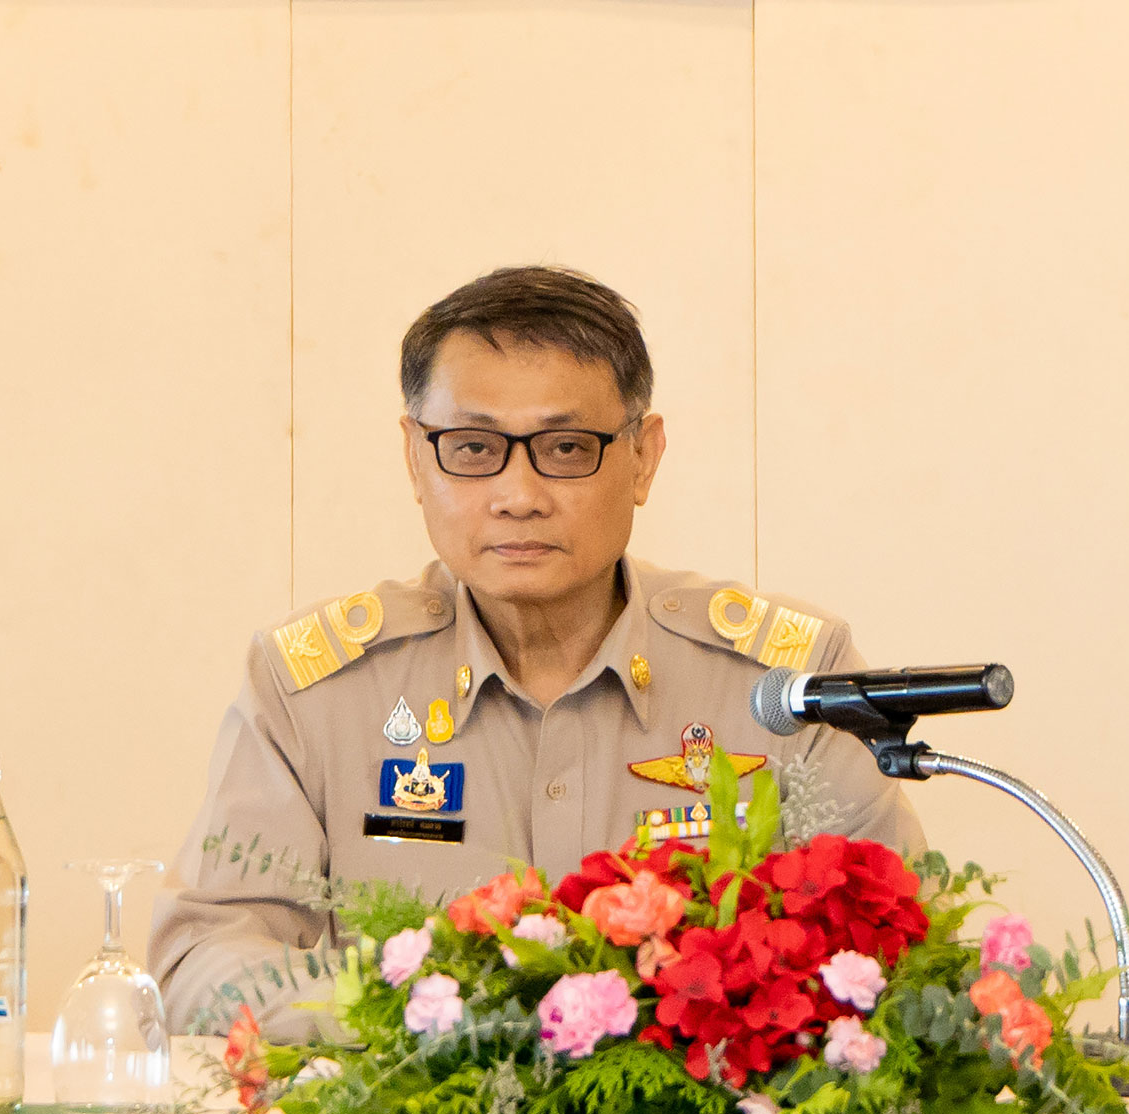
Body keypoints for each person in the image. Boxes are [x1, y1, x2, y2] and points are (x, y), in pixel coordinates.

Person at [149, 266, 925, 1040]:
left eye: (565, 447)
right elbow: (200, 964)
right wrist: (433, 1010)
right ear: (415, 458)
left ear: (644, 456)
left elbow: (901, 958)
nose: (518, 496)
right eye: (472, 447)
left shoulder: (787, 684)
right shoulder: (315, 690)